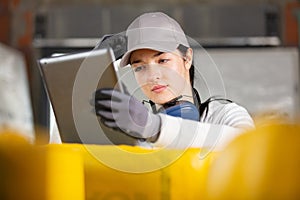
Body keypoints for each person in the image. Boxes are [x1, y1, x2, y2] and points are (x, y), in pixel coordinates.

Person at [94, 12, 254, 149]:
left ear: (187, 58)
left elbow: (245, 145)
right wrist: (92, 64)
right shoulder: (136, 135)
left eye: (163, 61)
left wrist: (154, 127)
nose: (152, 76)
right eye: (140, 67)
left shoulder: (224, 116)